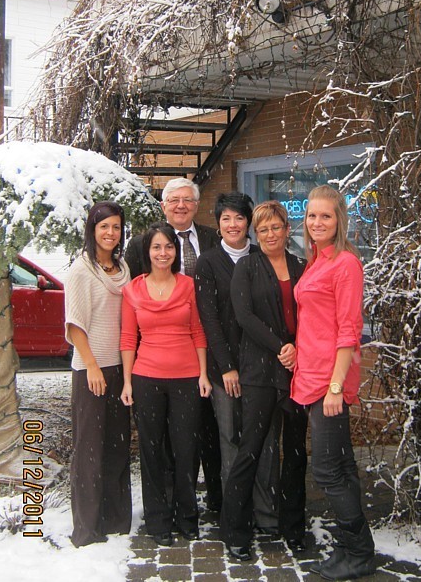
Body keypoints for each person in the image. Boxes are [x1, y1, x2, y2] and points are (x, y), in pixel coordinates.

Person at [291, 185, 377, 580]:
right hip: (311, 374)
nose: (317, 222)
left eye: (325, 215)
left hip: (330, 381)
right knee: (341, 465)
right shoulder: (316, 261)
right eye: (311, 215)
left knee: (327, 469)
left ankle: (357, 551)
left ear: (339, 219)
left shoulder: (345, 264)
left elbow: (349, 330)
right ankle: (353, 547)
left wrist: (337, 387)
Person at [124, 177, 222, 511]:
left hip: (203, 353)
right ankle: (165, 502)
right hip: (153, 360)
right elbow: (134, 303)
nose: (181, 205)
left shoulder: (213, 238)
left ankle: (210, 501)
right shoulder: (142, 245)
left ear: (197, 204)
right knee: (162, 440)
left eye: (188, 200)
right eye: (173, 200)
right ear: (163, 206)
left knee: (203, 435)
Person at [220, 200, 308, 562]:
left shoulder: (302, 267)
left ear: (288, 230)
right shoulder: (247, 267)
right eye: (263, 229)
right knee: (251, 449)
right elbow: (244, 317)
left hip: (300, 372)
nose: (270, 234)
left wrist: (298, 348)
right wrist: (282, 346)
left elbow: (313, 313)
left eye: (276, 227)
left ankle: (293, 527)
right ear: (257, 234)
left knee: (296, 453)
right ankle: (235, 530)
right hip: (260, 371)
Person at [120, 222, 212, 547]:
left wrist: (203, 373)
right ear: (147, 252)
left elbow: (198, 332)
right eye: (157, 247)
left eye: (168, 247)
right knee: (152, 450)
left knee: (187, 450)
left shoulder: (189, 285)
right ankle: (158, 519)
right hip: (146, 379)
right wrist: (128, 382)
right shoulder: (133, 289)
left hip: (187, 378)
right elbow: (129, 338)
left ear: (176, 251)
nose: (163, 253)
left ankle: (187, 517)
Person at [195, 192, 279, 535]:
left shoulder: (263, 258)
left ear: (249, 223)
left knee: (264, 440)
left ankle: (268, 514)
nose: (233, 225)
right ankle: (237, 516)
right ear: (218, 224)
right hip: (224, 369)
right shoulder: (208, 263)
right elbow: (210, 320)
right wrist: (227, 366)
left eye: (239, 218)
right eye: (226, 218)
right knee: (231, 441)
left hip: (262, 368)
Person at [65, 200, 132, 548]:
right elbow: (75, 324)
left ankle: (117, 519)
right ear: (92, 230)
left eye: (116, 226)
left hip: (120, 368)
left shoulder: (122, 267)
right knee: (89, 450)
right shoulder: (81, 270)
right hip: (91, 369)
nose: (110, 233)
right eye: (104, 226)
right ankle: (87, 529)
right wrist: (91, 364)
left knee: (117, 448)